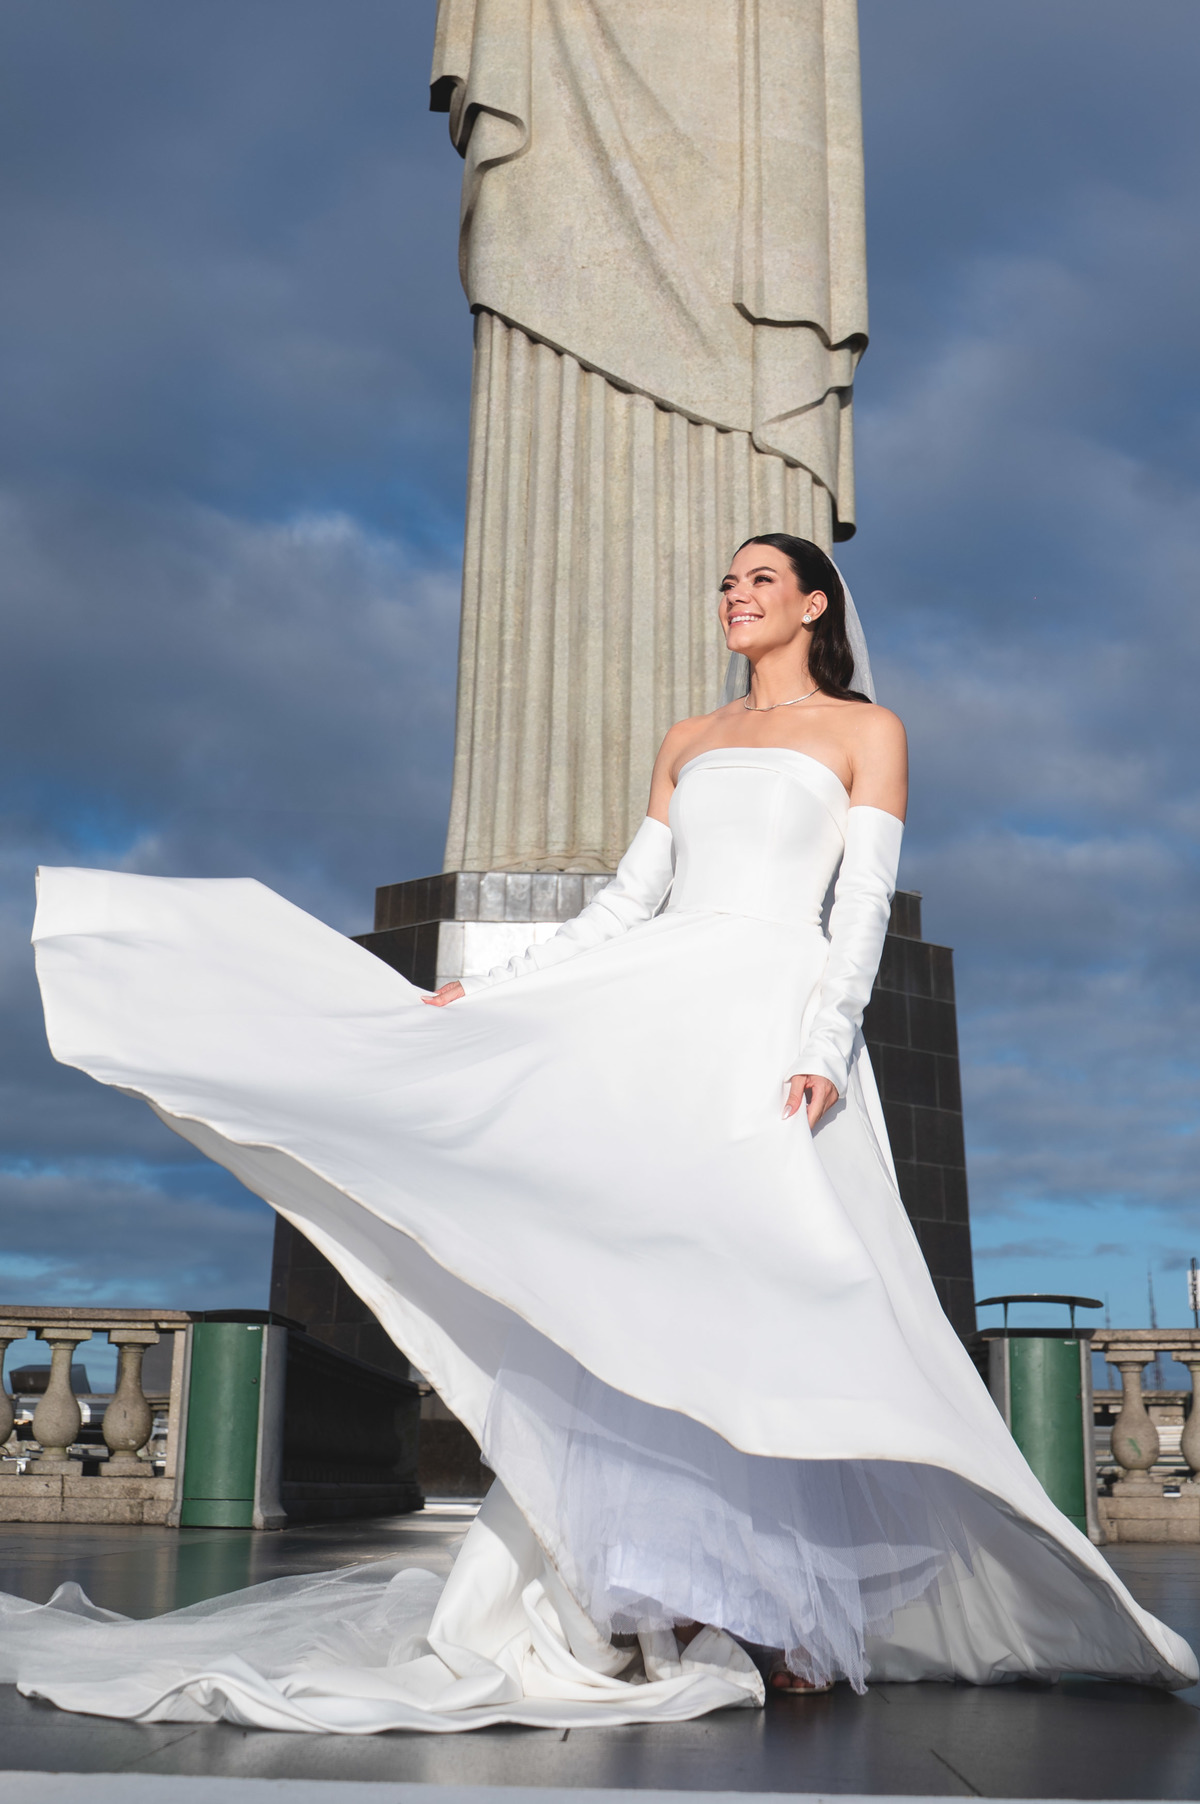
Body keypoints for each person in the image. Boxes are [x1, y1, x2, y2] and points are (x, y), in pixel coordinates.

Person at [11, 536, 1195, 1731]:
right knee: (652, 1302)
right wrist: (491, 989)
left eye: (760, 581)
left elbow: (863, 906)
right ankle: (665, 1597)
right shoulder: (689, 737)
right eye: (726, 582)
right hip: (664, 1015)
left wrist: (824, 1042)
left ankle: (779, 1606)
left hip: (775, 1025)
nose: (735, 595)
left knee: (776, 1301)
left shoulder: (867, 731)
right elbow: (630, 901)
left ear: (814, 604)